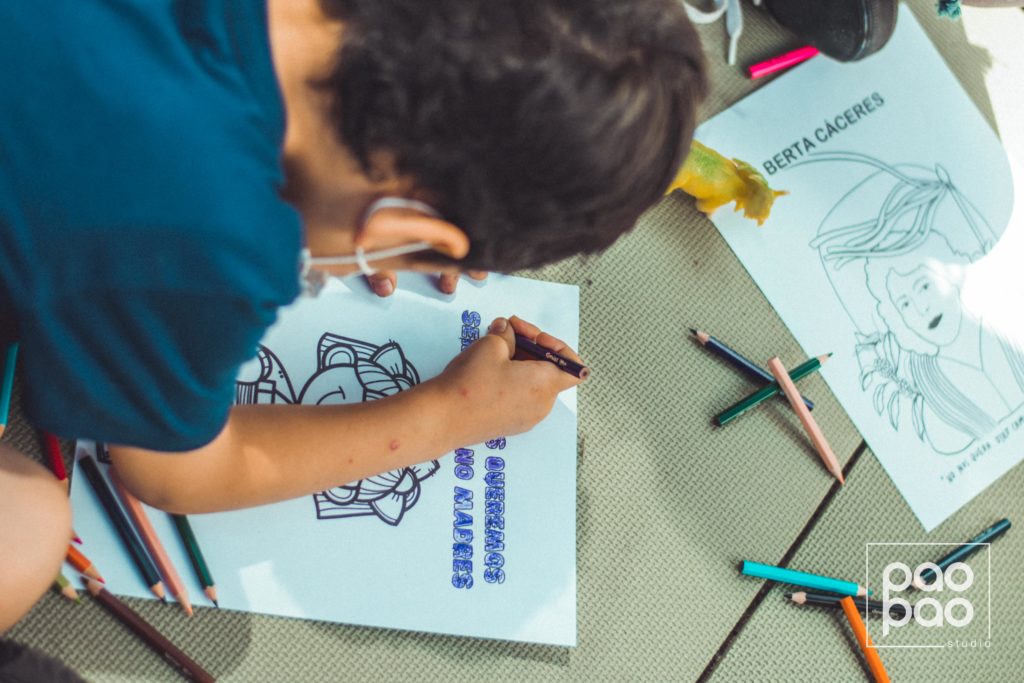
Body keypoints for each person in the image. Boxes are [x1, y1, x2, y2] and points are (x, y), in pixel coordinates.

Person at [0, 0, 706, 635]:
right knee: (27, 527)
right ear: (397, 225)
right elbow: (174, 475)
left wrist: (350, 215)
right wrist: (450, 416)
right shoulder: (221, 238)